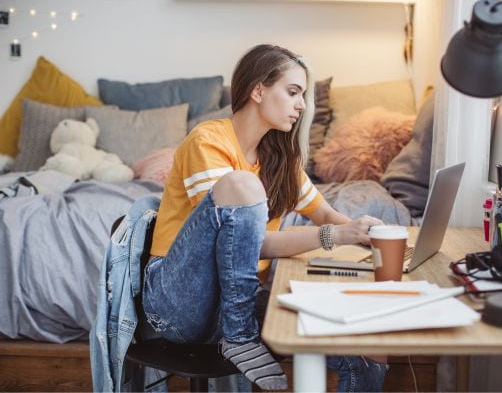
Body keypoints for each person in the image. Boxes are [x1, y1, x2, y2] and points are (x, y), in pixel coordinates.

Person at [143, 44, 387, 391]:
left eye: (302, 95)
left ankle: (241, 331)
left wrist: (363, 230)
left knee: (369, 347)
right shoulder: (207, 141)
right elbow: (244, 245)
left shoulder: (278, 158)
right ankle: (240, 337)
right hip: (178, 304)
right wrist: (335, 236)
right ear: (258, 90)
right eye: (292, 92)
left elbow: (323, 213)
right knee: (242, 185)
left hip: (239, 299)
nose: (301, 105)